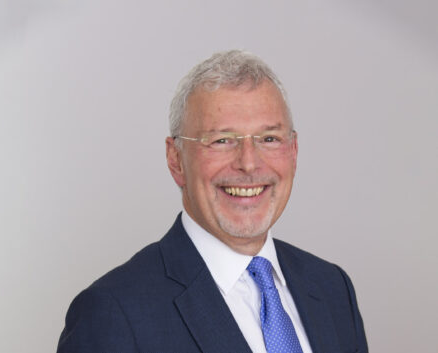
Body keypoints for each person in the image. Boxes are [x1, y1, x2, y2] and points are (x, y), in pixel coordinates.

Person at [57, 50, 368, 353]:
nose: (249, 163)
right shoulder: (113, 314)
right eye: (221, 141)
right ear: (175, 159)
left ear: (294, 150)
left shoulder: (332, 288)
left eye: (269, 139)